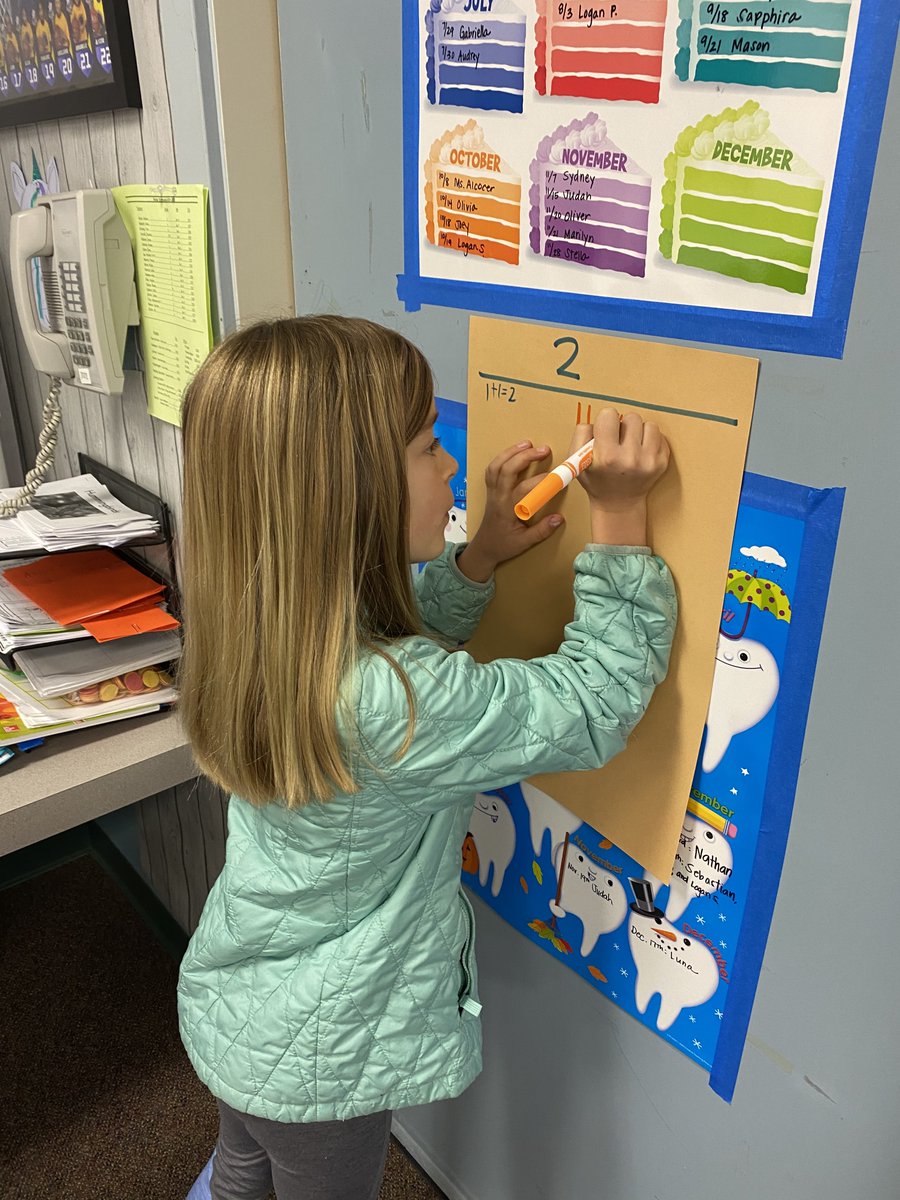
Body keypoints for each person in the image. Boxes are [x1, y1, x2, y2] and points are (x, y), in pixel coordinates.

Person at [177, 316, 676, 1200]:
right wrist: (621, 516)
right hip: (325, 1061)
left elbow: (392, 660)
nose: (451, 466)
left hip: (243, 1011)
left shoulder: (260, 638)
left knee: (240, 1176)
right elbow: (595, 702)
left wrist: (478, 555)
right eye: (428, 446)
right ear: (350, 494)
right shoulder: (391, 701)